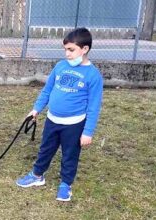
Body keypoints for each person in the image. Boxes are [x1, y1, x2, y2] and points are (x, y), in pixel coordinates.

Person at [16, 27, 103, 202]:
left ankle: (66, 184)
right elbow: (47, 90)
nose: (67, 54)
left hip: (74, 124)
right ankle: (37, 175)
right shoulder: (60, 66)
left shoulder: (93, 76)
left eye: (71, 50)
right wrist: (36, 109)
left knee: (70, 154)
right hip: (52, 120)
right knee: (45, 149)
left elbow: (93, 107)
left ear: (84, 49)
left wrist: (88, 132)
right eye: (65, 49)